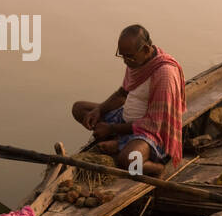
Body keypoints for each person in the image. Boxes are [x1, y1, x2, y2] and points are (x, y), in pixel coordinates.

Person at [70, 25, 185, 177]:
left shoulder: (165, 74)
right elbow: (122, 94)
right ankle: (120, 142)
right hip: (125, 118)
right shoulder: (135, 61)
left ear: (145, 50)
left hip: (151, 132)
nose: (125, 61)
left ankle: (157, 167)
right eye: (122, 56)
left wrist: (111, 129)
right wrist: (99, 110)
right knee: (79, 109)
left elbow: (154, 124)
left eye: (129, 56)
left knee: (129, 162)